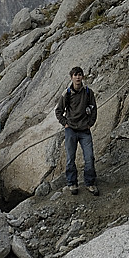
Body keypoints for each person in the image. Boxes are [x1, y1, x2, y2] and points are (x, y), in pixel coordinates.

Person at [54, 66, 98, 196]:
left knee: (89, 157)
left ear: (82, 77)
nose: (78, 77)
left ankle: (90, 183)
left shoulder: (88, 92)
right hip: (71, 130)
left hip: (84, 130)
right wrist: (65, 123)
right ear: (71, 77)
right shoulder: (67, 93)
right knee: (70, 158)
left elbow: (94, 109)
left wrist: (90, 123)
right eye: (75, 75)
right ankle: (72, 183)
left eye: (79, 75)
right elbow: (58, 111)